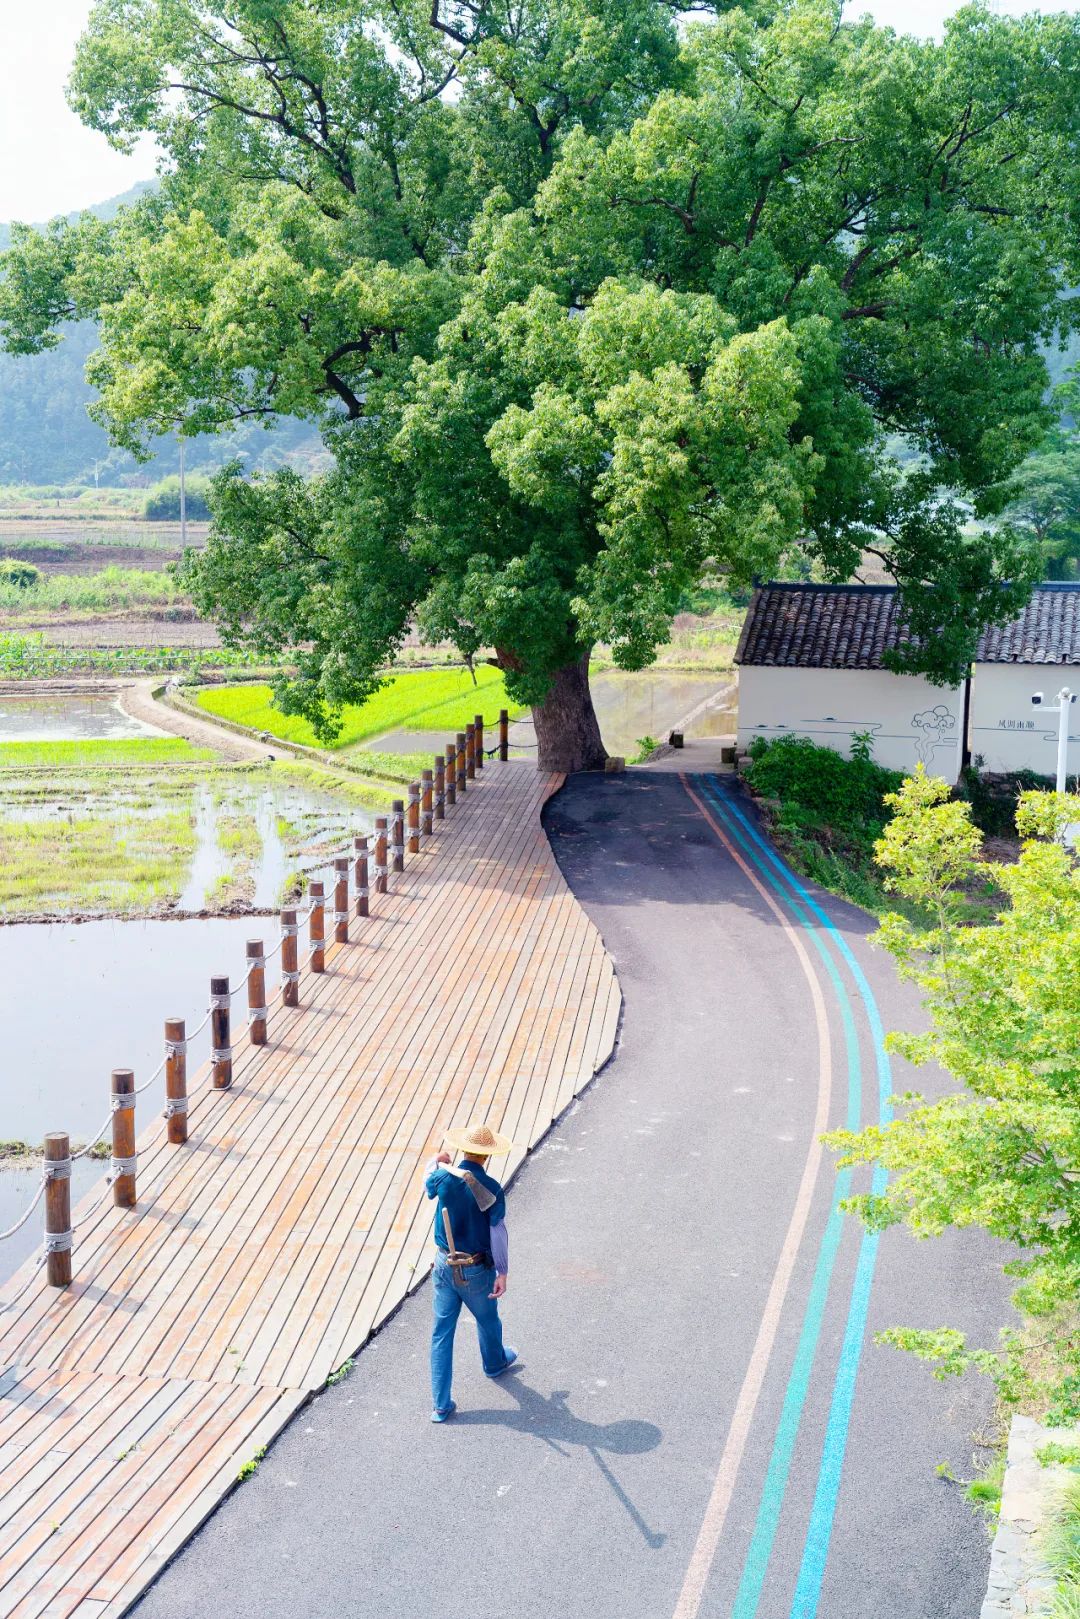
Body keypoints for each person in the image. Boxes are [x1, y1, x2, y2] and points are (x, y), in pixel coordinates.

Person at [425, 1121, 518, 1422]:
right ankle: (494, 1363)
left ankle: (440, 1405)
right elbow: (497, 1232)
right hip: (475, 1268)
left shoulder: (444, 1177)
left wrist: (436, 1161)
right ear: (487, 1155)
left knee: (441, 1333)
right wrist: (502, 1271)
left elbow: (428, 1184)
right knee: (488, 1319)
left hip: (444, 1264)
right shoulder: (492, 1189)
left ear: (463, 1150)